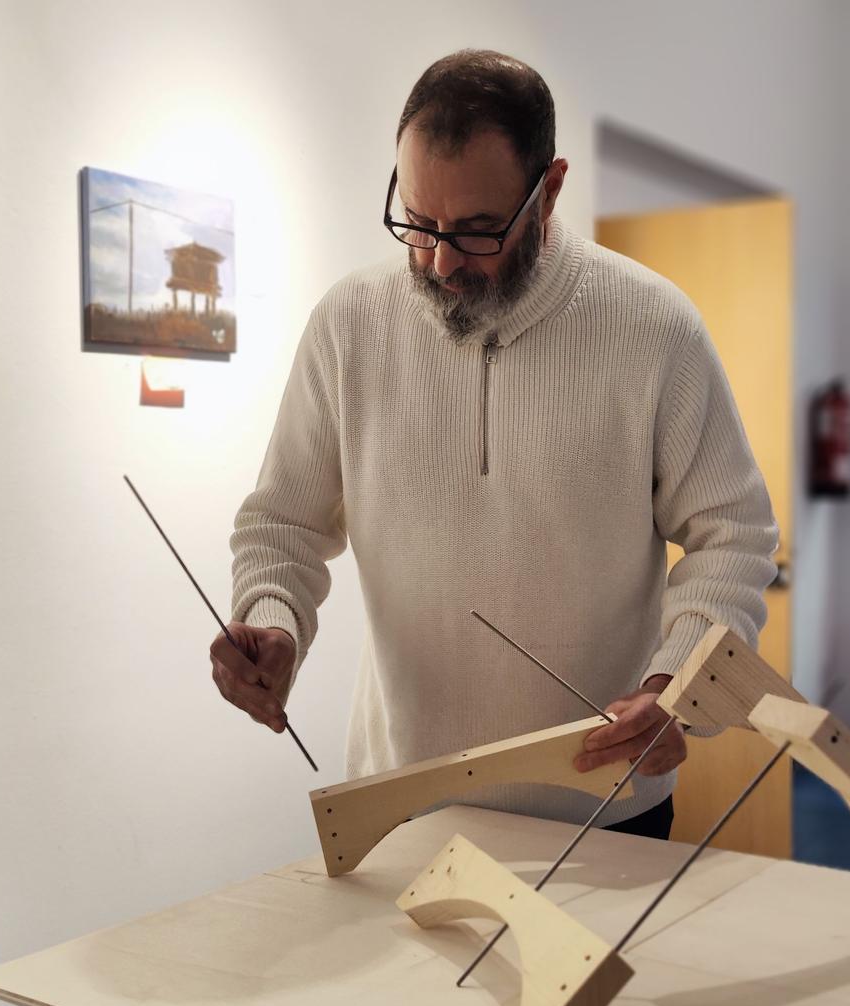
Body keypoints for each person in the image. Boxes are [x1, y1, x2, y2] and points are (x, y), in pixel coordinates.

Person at [209, 50, 778, 838]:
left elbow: (736, 537)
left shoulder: (654, 327)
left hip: (603, 810)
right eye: (418, 222)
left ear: (549, 191)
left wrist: (675, 684)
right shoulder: (348, 323)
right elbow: (283, 524)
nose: (440, 261)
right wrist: (272, 621)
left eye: (477, 231)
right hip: (399, 799)